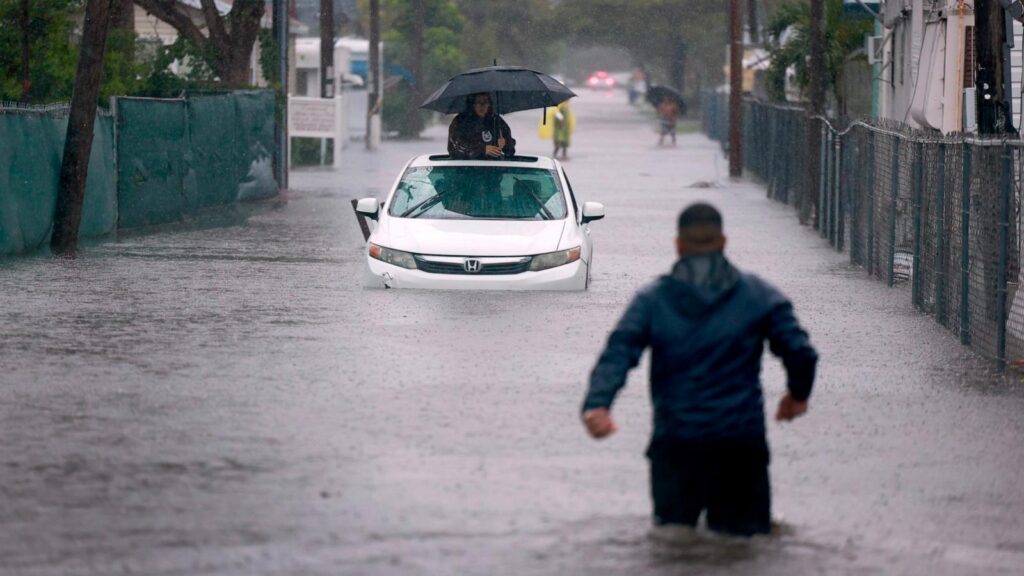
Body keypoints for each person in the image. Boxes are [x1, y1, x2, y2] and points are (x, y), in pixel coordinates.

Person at [580, 202, 818, 537]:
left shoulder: (651, 300)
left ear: (678, 245)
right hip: (740, 443)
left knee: (674, 545)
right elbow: (800, 352)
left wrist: (598, 404)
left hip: (676, 442)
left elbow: (619, 351)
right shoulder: (759, 296)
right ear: (724, 242)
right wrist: (797, 394)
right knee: (745, 547)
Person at [448, 92, 516, 160]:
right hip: (466, 167)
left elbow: (510, 151)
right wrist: (482, 150)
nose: (482, 105)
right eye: (478, 102)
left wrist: (505, 143)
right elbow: (457, 146)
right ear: (472, 104)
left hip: (493, 167)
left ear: (489, 104)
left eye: (485, 102)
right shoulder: (460, 121)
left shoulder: (496, 120)